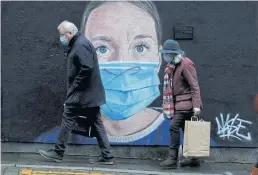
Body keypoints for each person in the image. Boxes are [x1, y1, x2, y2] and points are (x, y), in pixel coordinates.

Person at [38, 20, 114, 164]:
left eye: (61, 35)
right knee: (97, 124)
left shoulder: (80, 45)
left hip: (82, 95)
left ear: (69, 34)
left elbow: (86, 69)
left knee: (67, 119)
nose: (60, 38)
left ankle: (58, 152)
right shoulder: (79, 43)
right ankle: (107, 155)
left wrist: (74, 88)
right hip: (89, 95)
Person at [159, 39, 203, 169]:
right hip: (179, 103)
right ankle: (194, 159)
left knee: (173, 127)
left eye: (167, 53)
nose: (165, 56)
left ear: (173, 53)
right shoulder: (173, 65)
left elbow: (194, 85)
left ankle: (172, 159)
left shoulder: (186, 64)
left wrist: (196, 105)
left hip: (187, 104)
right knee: (187, 131)